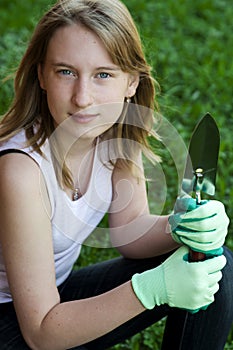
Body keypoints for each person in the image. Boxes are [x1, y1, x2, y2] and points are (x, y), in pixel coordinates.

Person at [0, 0, 232, 349]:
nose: (83, 98)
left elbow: (131, 232)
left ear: (131, 84)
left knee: (212, 261)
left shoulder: (114, 133)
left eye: (103, 75)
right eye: (66, 71)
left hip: (52, 299)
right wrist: (152, 290)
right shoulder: (20, 169)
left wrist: (181, 225)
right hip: (17, 323)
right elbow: (41, 334)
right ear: (41, 75)